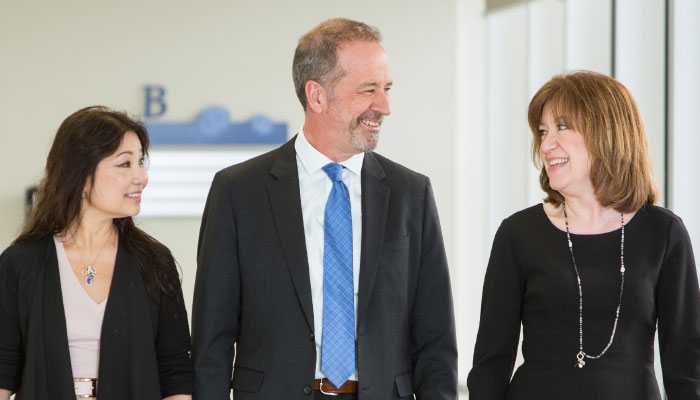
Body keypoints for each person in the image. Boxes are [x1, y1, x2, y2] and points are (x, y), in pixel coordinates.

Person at [191, 18, 457, 400]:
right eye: (368, 90)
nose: (383, 106)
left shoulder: (411, 193)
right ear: (316, 96)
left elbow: (436, 339)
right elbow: (211, 339)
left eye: (386, 89)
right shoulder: (238, 192)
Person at [467, 71, 700, 399]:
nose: (547, 145)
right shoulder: (518, 234)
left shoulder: (663, 233)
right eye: (543, 131)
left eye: (562, 127)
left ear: (607, 132)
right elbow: (490, 366)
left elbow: (687, 370)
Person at [0, 106, 194, 400]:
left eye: (141, 162)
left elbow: (174, 368)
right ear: (81, 173)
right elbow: (4, 365)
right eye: (124, 164)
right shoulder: (21, 263)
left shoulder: (154, 261)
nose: (141, 176)